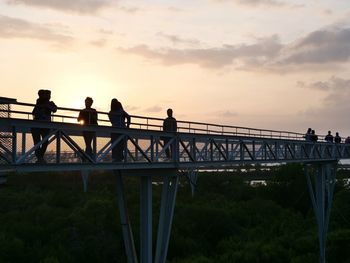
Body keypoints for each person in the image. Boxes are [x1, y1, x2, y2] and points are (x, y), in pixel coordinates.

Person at [31, 89, 57, 163]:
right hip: (37, 125)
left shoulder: (50, 103)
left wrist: (47, 105)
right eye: (47, 95)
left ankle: (40, 157)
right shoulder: (39, 103)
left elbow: (55, 109)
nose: (48, 96)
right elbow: (34, 112)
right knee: (37, 143)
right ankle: (39, 158)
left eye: (49, 95)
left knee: (45, 141)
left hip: (45, 125)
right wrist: (42, 106)